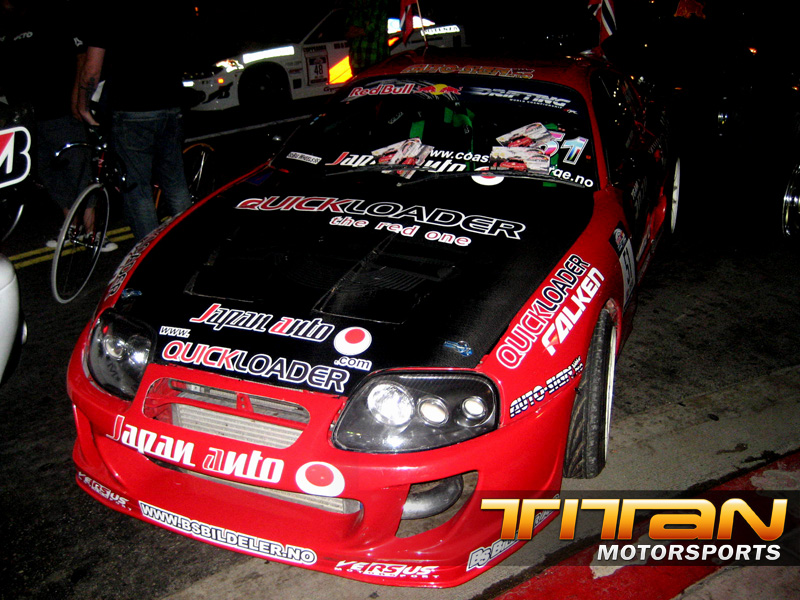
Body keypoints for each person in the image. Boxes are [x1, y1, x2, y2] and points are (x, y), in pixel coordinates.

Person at [0, 0, 117, 251]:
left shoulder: (53, 16)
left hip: (60, 111)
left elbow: (81, 58)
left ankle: (92, 232)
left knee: (78, 167)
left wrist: (78, 100)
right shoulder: (8, 27)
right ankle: (71, 227)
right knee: (48, 174)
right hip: (27, 118)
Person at [74, 0, 193, 242]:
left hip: (131, 107)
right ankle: (189, 243)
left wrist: (83, 106)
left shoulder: (106, 9)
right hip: (170, 102)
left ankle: (149, 252)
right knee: (175, 182)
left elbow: (91, 70)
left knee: (137, 189)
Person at [346, 0, 391, 75]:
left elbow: (369, 29)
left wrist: (358, 30)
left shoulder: (379, 4)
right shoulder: (355, 6)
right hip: (357, 60)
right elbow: (347, 30)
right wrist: (359, 30)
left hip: (375, 59)